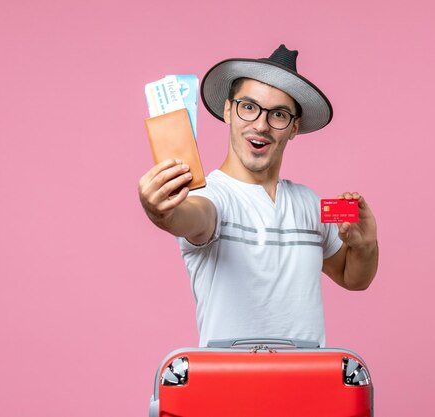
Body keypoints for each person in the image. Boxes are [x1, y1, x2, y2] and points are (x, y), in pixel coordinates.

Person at [138, 45, 378, 347]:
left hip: (307, 387)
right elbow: (191, 215)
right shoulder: (212, 196)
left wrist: (365, 245)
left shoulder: (310, 204)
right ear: (228, 110)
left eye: (278, 114)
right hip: (229, 386)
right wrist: (161, 211)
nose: (261, 125)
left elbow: (353, 279)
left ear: (293, 128)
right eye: (249, 107)